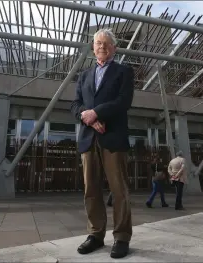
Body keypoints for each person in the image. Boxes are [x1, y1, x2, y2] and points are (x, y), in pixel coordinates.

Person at [70, 28, 134, 259]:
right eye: (98, 43)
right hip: (89, 138)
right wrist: (85, 116)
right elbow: (75, 104)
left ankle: (121, 237)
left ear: (114, 48)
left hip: (113, 138)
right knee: (91, 190)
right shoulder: (84, 75)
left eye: (106, 44)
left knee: (119, 190)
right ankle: (96, 235)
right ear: (92, 47)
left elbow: (123, 101)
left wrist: (96, 113)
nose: (102, 47)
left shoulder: (124, 71)